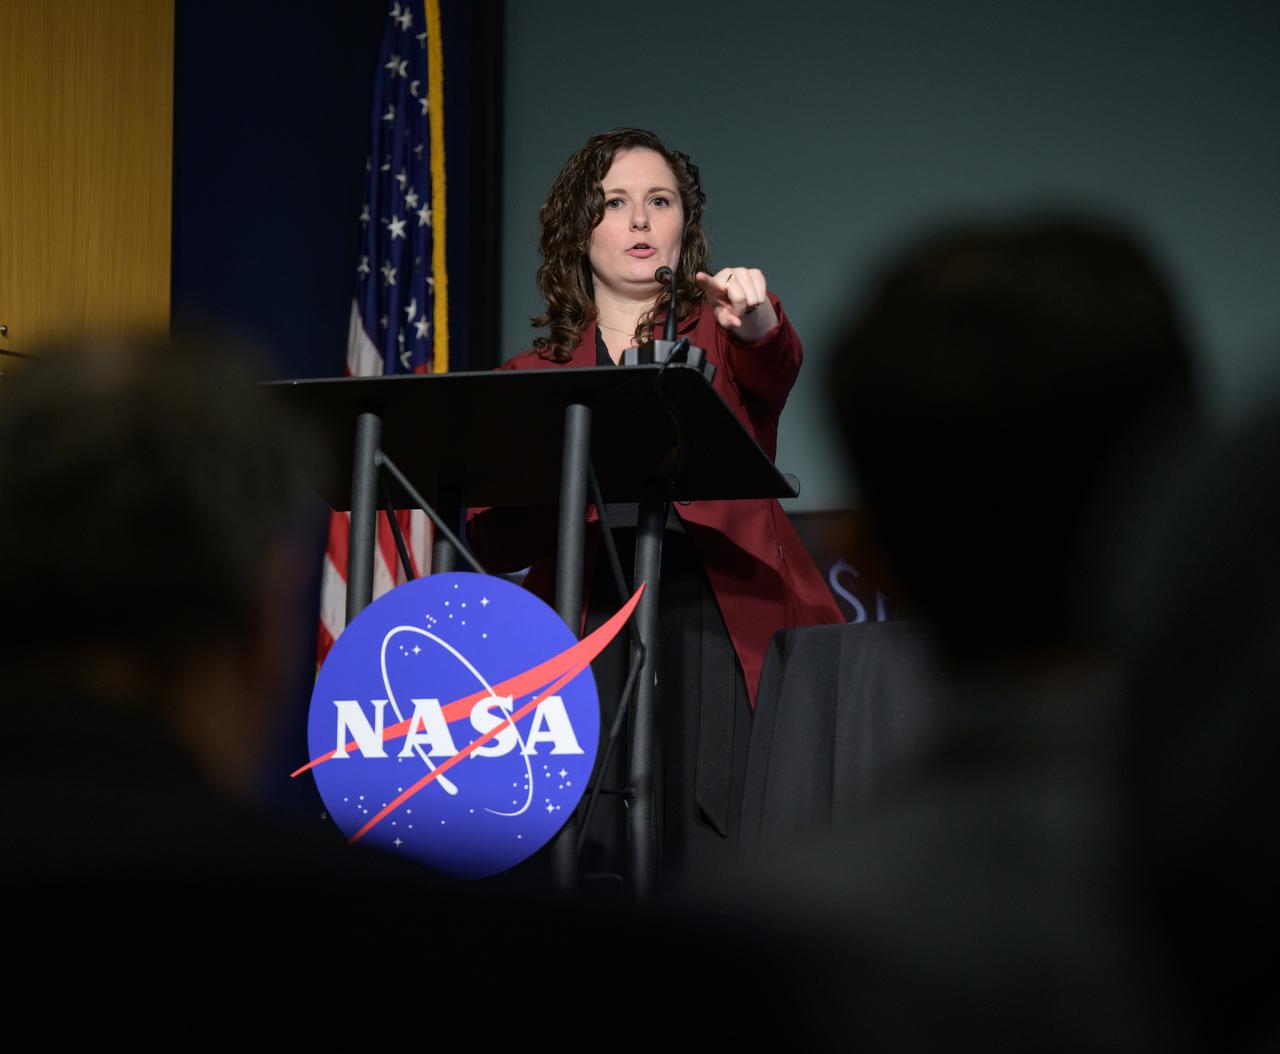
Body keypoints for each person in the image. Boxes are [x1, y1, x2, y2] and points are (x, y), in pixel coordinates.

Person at [467, 127, 841, 884]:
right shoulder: (531, 372)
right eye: (615, 203)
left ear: (683, 225)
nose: (639, 220)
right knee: (592, 855)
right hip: (586, 630)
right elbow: (491, 536)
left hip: (714, 624)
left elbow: (773, 362)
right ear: (579, 230)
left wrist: (759, 322)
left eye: (659, 201)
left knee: (720, 867)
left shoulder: (727, 334)